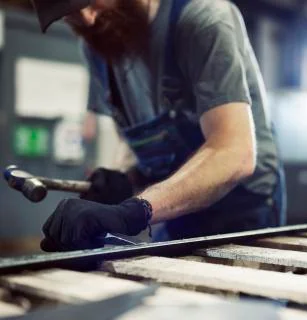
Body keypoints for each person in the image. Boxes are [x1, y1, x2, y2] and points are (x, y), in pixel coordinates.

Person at [30, 0, 286, 251]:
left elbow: (234, 152)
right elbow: (133, 139)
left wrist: (132, 211)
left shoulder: (202, 19)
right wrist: (122, 179)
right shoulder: (97, 49)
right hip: (174, 210)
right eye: (69, 13)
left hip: (242, 208)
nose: (87, 18)